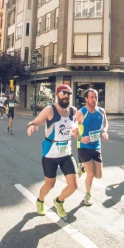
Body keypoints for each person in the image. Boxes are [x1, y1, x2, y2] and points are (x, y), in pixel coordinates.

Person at [26, 85, 78, 219]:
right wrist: (32, 127)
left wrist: (77, 134)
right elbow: (34, 122)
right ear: (57, 94)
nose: (66, 95)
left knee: (74, 185)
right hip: (50, 154)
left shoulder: (73, 111)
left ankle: (59, 201)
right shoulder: (50, 110)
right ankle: (40, 200)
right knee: (50, 184)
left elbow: (75, 130)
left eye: (69, 93)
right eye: (63, 93)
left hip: (66, 153)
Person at [72, 89, 108, 207]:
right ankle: (88, 194)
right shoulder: (81, 113)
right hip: (84, 146)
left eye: (96, 97)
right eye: (92, 97)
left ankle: (82, 167)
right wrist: (80, 138)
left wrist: (104, 131)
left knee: (99, 175)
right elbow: (72, 131)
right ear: (86, 99)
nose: (94, 100)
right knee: (91, 173)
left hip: (96, 146)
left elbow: (105, 123)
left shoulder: (101, 111)